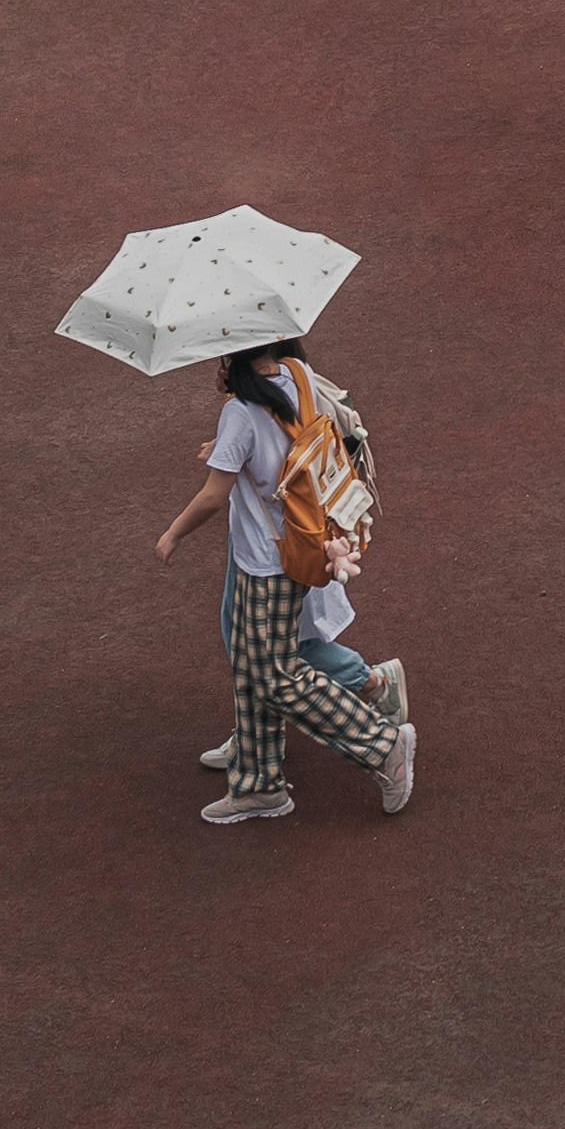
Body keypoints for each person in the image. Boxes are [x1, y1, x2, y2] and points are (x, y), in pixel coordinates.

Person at [151, 341, 415, 822]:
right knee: (253, 665)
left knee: (275, 675)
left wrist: (173, 533)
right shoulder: (297, 373)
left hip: (266, 562)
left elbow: (214, 496)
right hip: (300, 542)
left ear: (235, 356)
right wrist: (228, 447)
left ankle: (381, 744)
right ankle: (257, 780)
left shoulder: (241, 412)